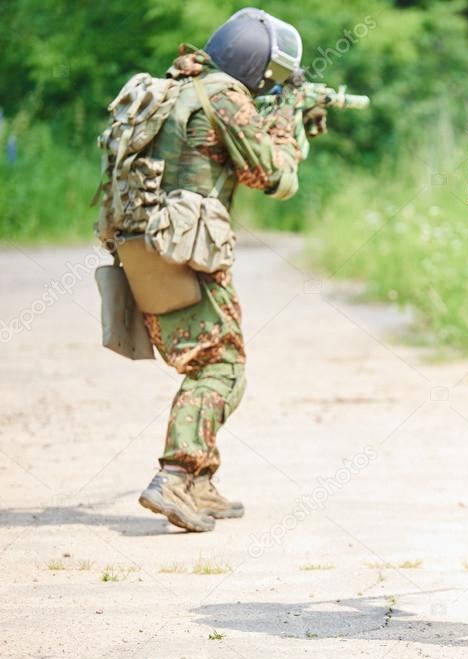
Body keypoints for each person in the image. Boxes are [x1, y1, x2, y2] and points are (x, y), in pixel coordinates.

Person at [95, 8, 328, 532]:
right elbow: (274, 177)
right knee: (220, 367)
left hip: (143, 247)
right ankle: (176, 476)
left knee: (212, 360)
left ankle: (200, 481)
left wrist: (280, 113)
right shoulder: (224, 95)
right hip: (185, 253)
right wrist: (290, 121)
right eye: (268, 78)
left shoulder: (177, 88)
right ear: (255, 68)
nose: (267, 85)